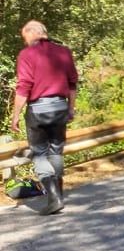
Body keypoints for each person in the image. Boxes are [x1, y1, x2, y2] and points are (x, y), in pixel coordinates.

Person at [10, 20, 79, 215]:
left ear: (32, 34)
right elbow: (72, 83)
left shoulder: (27, 54)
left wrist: (15, 115)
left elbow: (24, 87)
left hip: (38, 110)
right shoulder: (64, 52)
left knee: (39, 153)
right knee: (56, 150)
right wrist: (70, 109)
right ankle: (58, 193)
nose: (26, 43)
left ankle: (54, 198)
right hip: (60, 107)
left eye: (25, 38)